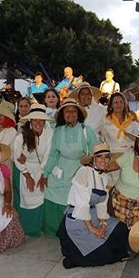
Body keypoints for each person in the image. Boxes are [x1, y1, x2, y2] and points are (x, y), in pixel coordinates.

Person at [57, 143, 129, 269]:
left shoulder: (103, 177)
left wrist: (103, 224)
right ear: (93, 159)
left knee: (121, 229)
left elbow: (101, 204)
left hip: (94, 215)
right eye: (100, 157)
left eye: (107, 157)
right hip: (78, 218)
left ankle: (103, 243)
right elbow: (82, 205)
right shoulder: (83, 173)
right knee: (104, 254)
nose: (103, 160)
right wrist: (93, 229)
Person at [40, 98, 98, 236]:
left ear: (78, 114)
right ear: (62, 115)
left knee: (75, 198)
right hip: (61, 169)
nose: (70, 114)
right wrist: (45, 174)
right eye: (67, 111)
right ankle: (53, 230)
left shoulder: (87, 131)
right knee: (51, 191)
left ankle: (72, 231)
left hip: (79, 170)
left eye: (73, 111)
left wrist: (88, 168)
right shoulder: (58, 131)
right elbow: (53, 155)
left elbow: (95, 154)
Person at [13, 105, 54, 236]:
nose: (38, 123)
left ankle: (40, 227)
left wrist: (43, 174)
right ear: (30, 121)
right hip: (25, 170)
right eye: (34, 120)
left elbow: (48, 155)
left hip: (42, 169)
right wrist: (27, 176)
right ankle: (27, 229)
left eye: (41, 120)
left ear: (45, 121)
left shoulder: (49, 134)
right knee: (26, 199)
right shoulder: (21, 135)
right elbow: (16, 157)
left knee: (41, 196)